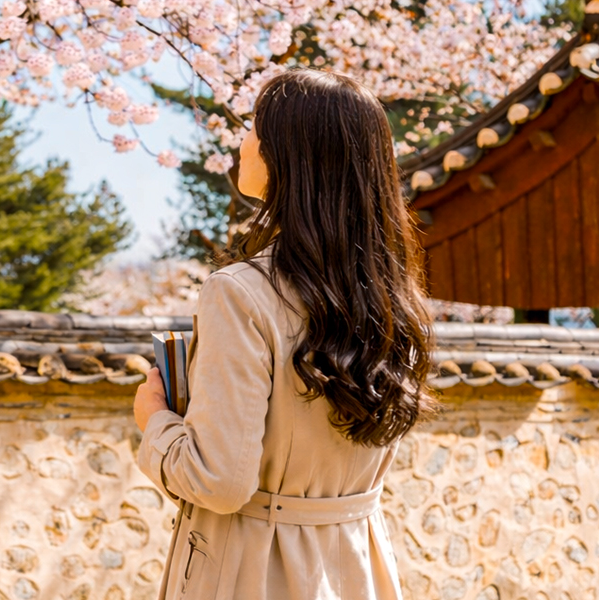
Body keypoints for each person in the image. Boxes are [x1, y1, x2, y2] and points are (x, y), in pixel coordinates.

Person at [133, 69, 437, 600]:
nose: (243, 142)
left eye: (254, 127)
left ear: (288, 156)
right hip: (358, 563)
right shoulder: (394, 299)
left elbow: (221, 482)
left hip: (256, 570)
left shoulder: (240, 293)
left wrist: (155, 421)